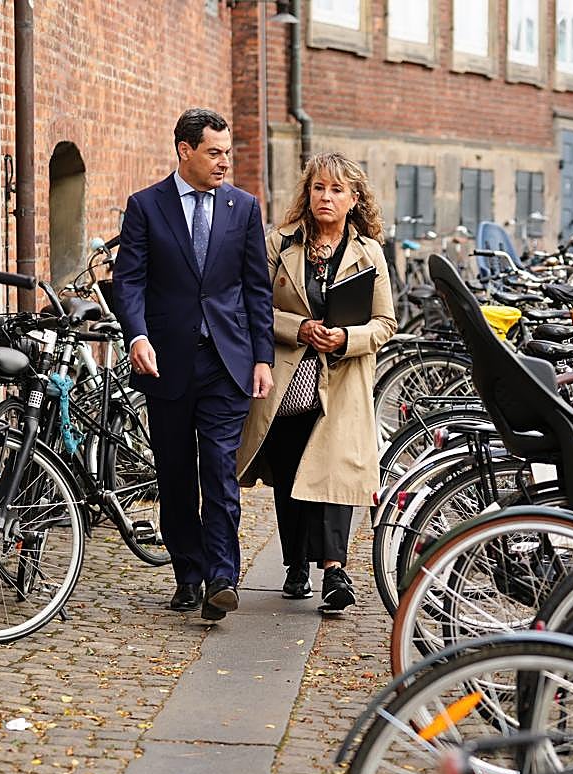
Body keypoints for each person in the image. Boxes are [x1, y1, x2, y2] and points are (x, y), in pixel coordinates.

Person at [111, 108, 274, 621]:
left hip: (227, 360)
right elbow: (129, 280)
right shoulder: (146, 206)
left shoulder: (243, 207)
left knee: (220, 473)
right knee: (176, 475)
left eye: (228, 152)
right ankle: (188, 572)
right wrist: (136, 335)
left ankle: (222, 576)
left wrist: (263, 357)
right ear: (185, 150)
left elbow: (255, 290)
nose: (224, 161)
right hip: (165, 364)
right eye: (214, 152)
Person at [236, 152, 396, 613]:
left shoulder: (370, 253)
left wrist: (346, 337)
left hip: (341, 379)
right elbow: (253, 308)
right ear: (308, 193)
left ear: (354, 199)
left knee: (333, 475)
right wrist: (297, 328)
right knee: (290, 475)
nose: (326, 197)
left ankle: (334, 571)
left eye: (337, 190)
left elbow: (385, 323)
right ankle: (295, 566)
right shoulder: (278, 244)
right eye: (319, 188)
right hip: (288, 379)